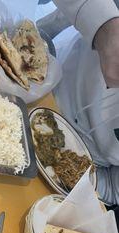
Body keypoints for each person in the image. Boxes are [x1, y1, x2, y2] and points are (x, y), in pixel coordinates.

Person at [37, 0, 119, 206]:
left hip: (65, 188)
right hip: (42, 90)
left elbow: (111, 188)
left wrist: (73, 177)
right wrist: (106, 28)